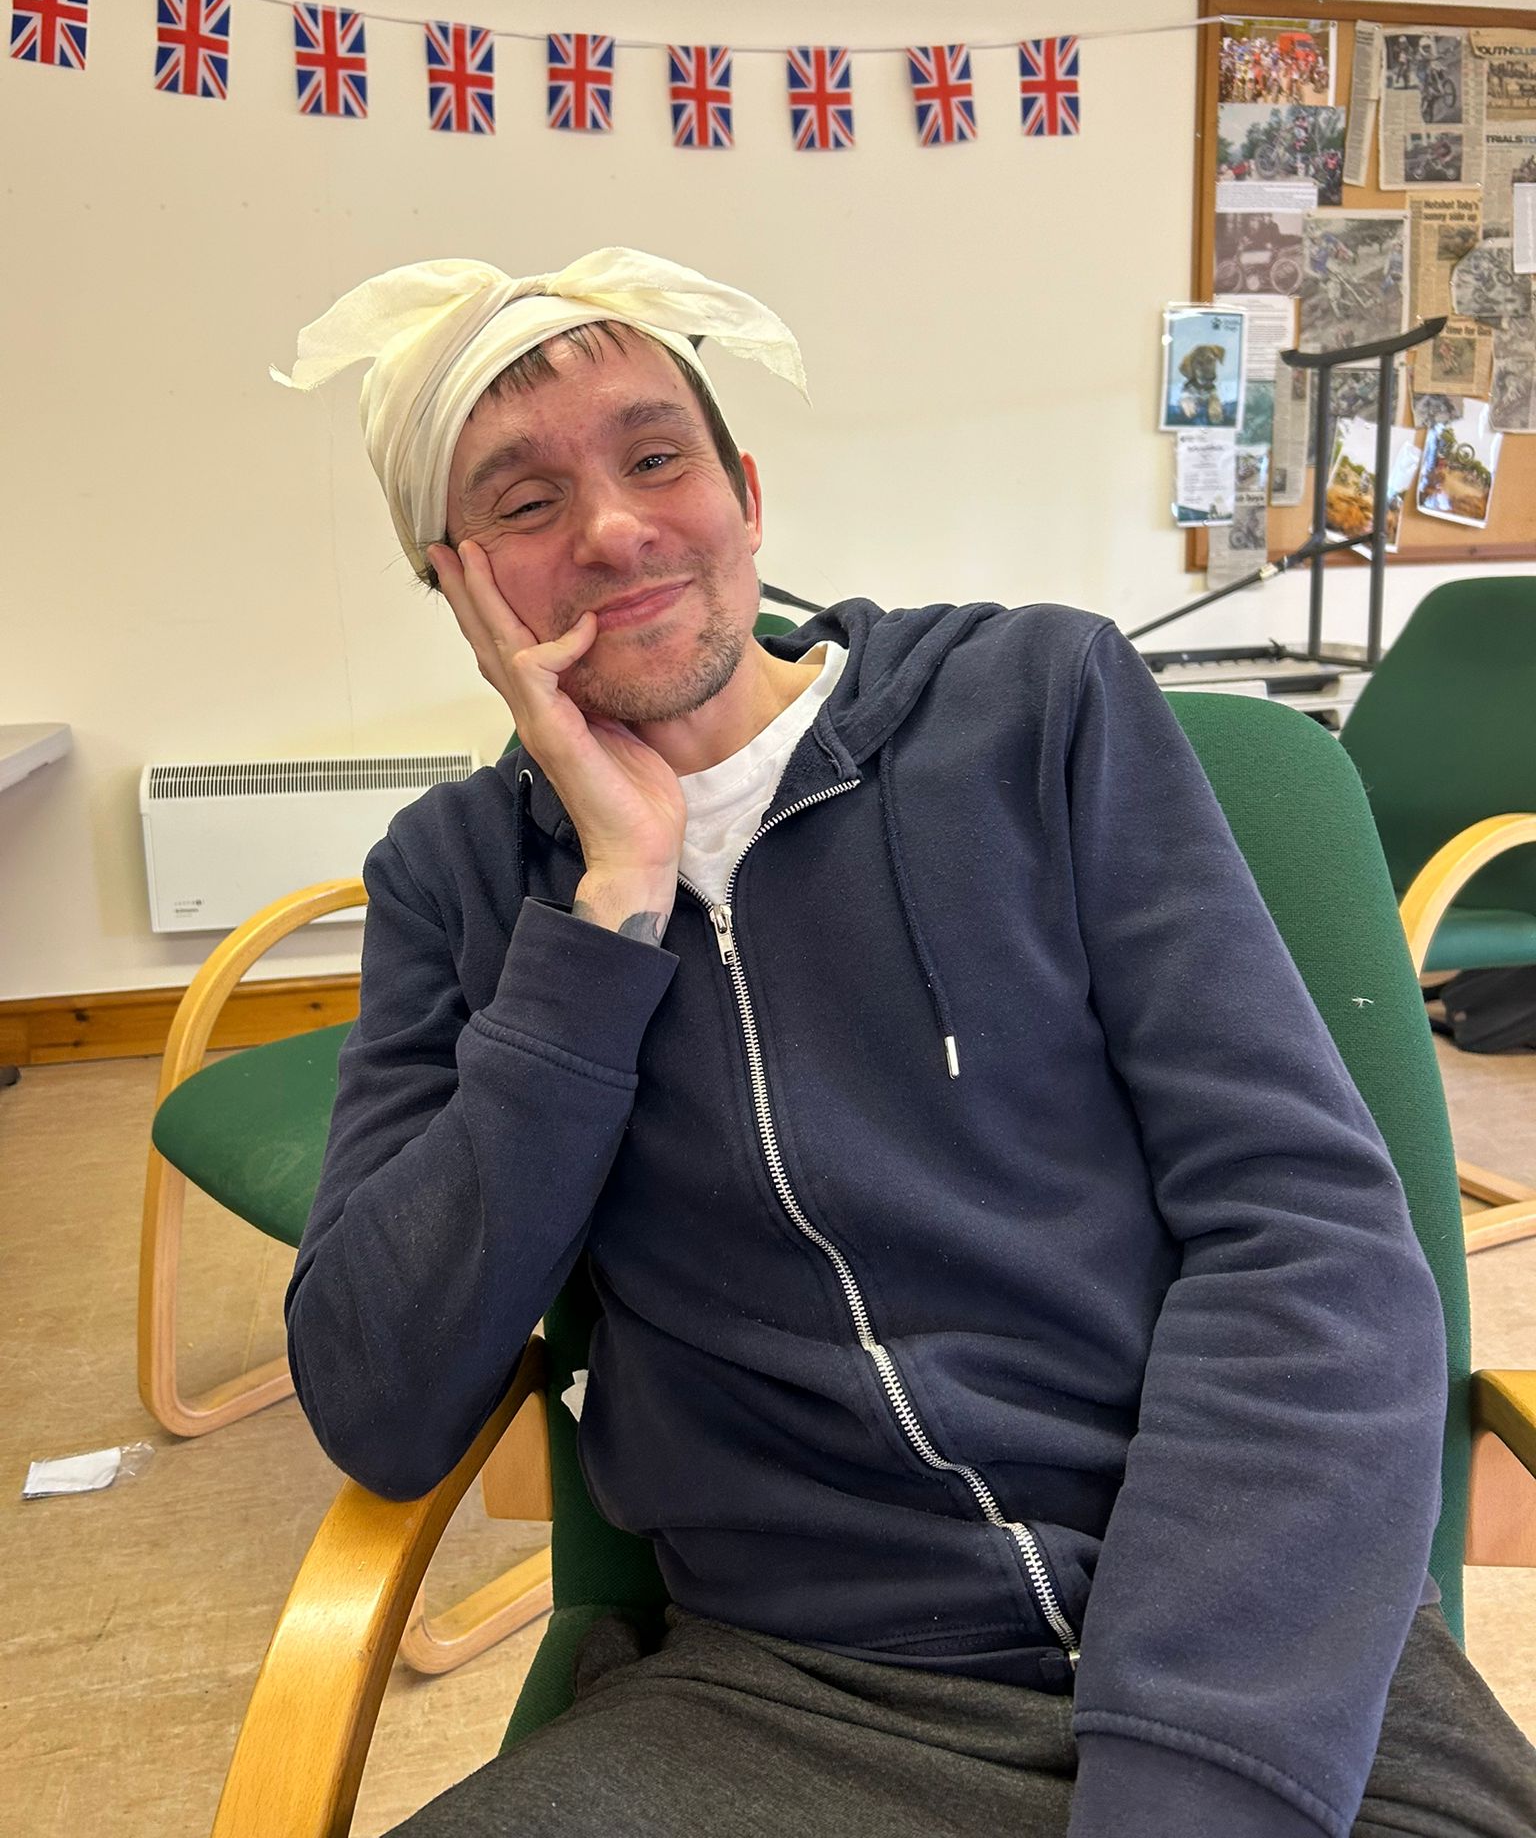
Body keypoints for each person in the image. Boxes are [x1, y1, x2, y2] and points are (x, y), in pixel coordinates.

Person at [274, 247, 1536, 1838]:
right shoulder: (455, 881)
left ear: (745, 495)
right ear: (455, 584)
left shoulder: (1036, 706)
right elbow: (381, 1402)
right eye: (525, 504)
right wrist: (604, 926)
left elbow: (1308, 1233)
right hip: (784, 1700)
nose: (612, 529)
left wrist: (1190, 1774)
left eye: (656, 459)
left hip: (1252, 1656)